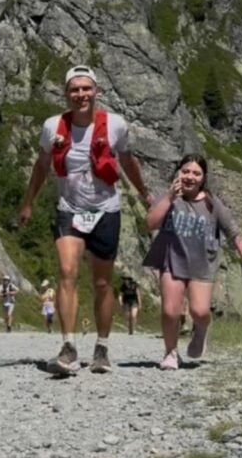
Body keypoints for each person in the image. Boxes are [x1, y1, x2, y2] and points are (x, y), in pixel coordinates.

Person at [18, 64, 151, 375]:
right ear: (66, 94)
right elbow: (41, 166)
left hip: (106, 210)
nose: (81, 94)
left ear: (96, 91)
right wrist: (28, 203)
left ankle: (101, 349)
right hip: (69, 209)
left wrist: (145, 193)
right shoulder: (52, 126)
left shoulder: (115, 125)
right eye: (74, 89)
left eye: (86, 88)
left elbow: (127, 161)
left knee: (102, 283)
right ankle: (68, 347)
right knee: (67, 272)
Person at [143, 153, 242, 370]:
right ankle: (170, 353)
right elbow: (150, 223)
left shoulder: (212, 204)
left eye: (196, 173)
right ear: (178, 172)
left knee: (200, 311)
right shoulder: (168, 198)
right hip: (171, 260)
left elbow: (232, 232)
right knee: (170, 310)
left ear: (203, 178)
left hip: (202, 264)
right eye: (185, 171)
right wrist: (169, 197)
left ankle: (201, 330)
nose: (190, 177)